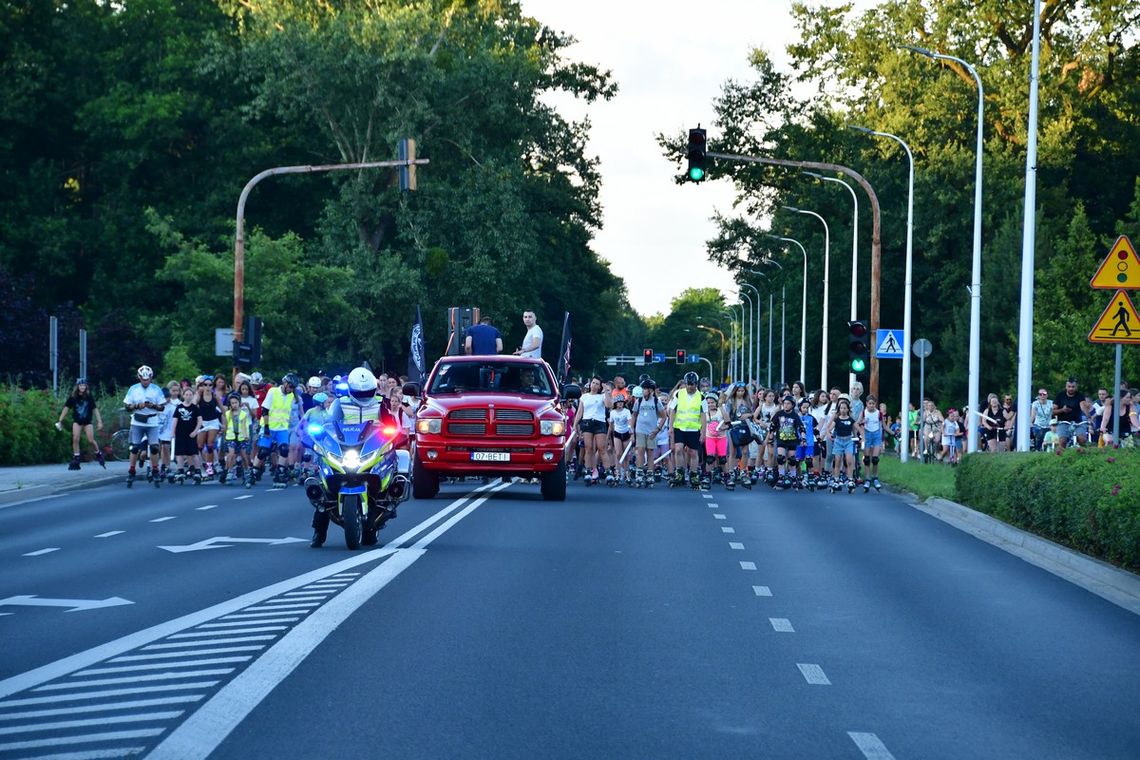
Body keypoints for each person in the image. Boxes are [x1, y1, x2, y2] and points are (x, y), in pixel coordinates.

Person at [122, 365, 165, 487]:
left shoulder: (156, 389)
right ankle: (131, 471)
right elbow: (127, 407)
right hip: (137, 421)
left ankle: (155, 470)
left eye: (147, 379)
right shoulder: (133, 389)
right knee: (134, 448)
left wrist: (153, 406)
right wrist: (136, 406)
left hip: (152, 421)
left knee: (155, 447)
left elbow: (162, 407)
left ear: (151, 378)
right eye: (143, 379)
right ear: (139, 378)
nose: (145, 382)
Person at [56, 378, 104, 470]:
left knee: (90, 440)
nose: (82, 387)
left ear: (86, 386)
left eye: (84, 385)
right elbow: (66, 408)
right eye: (80, 385)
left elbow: (95, 409)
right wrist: (60, 420)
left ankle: (98, 453)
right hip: (77, 421)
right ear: (77, 387)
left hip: (87, 421)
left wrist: (99, 421)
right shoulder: (73, 397)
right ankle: (76, 456)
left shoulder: (89, 397)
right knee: (75, 438)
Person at [668, 371, 706, 489]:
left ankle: (694, 474)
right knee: (678, 449)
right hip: (680, 426)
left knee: (693, 453)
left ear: (696, 384)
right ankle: (679, 472)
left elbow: (703, 415)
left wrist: (703, 432)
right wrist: (670, 426)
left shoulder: (701, 397)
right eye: (688, 384)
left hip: (694, 429)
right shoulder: (679, 394)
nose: (690, 387)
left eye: (693, 384)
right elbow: (672, 410)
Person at [575, 376, 612, 485]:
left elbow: (609, 405)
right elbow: (580, 412)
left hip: (599, 422)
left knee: (601, 448)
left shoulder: (601, 396)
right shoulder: (584, 397)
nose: (594, 385)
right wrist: (575, 424)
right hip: (587, 422)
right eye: (593, 383)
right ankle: (588, 470)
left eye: (597, 384)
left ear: (600, 386)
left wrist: (607, 392)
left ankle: (608, 471)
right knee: (588, 448)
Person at [631, 380, 665, 486]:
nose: (643, 391)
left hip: (651, 432)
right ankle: (639, 471)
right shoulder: (639, 401)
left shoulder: (656, 401)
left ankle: (650, 473)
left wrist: (658, 429)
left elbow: (664, 416)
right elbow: (634, 415)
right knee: (640, 450)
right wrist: (632, 428)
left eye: (645, 389)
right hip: (640, 430)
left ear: (650, 390)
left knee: (650, 452)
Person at [823, 398, 860, 492]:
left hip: (848, 441)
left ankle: (850, 479)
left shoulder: (851, 419)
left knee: (849, 461)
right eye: (841, 408)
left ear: (848, 409)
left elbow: (859, 429)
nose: (843, 410)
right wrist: (828, 435)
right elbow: (828, 428)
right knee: (837, 461)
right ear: (839, 409)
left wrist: (862, 438)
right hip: (838, 441)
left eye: (845, 408)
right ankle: (836, 479)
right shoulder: (837, 419)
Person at [768, 395, 805, 489]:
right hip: (781, 439)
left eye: (788, 404)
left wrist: (803, 439)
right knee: (780, 458)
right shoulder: (779, 414)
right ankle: (781, 477)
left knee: (792, 460)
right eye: (784, 403)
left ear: (792, 405)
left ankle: (793, 477)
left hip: (792, 440)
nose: (786, 405)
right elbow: (772, 426)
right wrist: (771, 437)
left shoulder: (795, 415)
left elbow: (801, 428)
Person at [170, 387, 203, 484]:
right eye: (186, 394)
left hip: (191, 434)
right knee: (179, 453)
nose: (188, 396)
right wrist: (173, 432)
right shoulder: (179, 407)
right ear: (183, 395)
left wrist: (195, 431)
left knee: (193, 453)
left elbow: (200, 421)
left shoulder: (195, 408)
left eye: (190, 395)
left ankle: (197, 470)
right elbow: (175, 420)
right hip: (180, 433)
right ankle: (180, 470)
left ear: (193, 396)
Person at [220, 393, 253, 485]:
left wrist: (246, 436)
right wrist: (224, 434)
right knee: (231, 454)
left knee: (243, 455)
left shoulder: (243, 414)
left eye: (236, 402)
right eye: (232, 403)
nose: (234, 405)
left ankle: (247, 471)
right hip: (231, 437)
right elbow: (225, 426)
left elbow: (244, 426)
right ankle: (230, 471)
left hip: (242, 437)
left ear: (239, 403)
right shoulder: (227, 414)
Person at [1053, 378, 1090, 451]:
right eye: (1069, 386)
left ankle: (1085, 454)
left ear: (1076, 387)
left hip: (1078, 422)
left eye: (1073, 387)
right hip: (1063, 422)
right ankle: (1061, 457)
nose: (1071, 388)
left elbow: (1082, 406)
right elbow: (1053, 411)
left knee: (1082, 439)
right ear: (1066, 386)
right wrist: (1062, 410)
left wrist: (1088, 415)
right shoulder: (1060, 396)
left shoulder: (1080, 395)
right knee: (1062, 441)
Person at [702, 395, 729, 488]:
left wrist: (721, 407)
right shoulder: (704, 413)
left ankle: (727, 477)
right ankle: (707, 477)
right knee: (710, 458)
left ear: (716, 402)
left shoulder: (720, 411)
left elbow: (728, 423)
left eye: (712, 402)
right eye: (708, 403)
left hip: (721, 437)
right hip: (710, 438)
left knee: (722, 459)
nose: (710, 404)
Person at [861, 394, 884, 491]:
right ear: (866, 404)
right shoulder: (864, 413)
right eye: (869, 403)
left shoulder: (879, 413)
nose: (871, 405)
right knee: (866, 459)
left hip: (876, 435)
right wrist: (862, 422)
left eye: (873, 404)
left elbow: (884, 426)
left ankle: (875, 477)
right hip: (867, 435)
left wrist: (893, 433)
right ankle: (867, 478)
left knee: (875, 459)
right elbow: (858, 423)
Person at [608, 396, 633, 483]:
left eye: (622, 402)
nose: (620, 403)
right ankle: (617, 473)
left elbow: (630, 422)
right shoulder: (613, 412)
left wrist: (631, 432)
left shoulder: (627, 411)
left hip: (626, 432)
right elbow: (611, 424)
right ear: (615, 403)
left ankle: (627, 473)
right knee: (618, 453)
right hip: (617, 433)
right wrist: (609, 435)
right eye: (619, 402)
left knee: (626, 455)